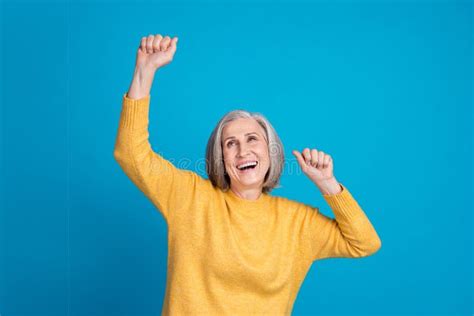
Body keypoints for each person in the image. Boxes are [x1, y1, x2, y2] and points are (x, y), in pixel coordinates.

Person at [114, 33, 382, 315]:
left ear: (271, 150)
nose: (243, 151)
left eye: (253, 139)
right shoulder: (189, 197)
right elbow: (130, 153)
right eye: (231, 144)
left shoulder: (298, 222)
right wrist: (144, 71)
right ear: (220, 158)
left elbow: (364, 243)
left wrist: (329, 185)